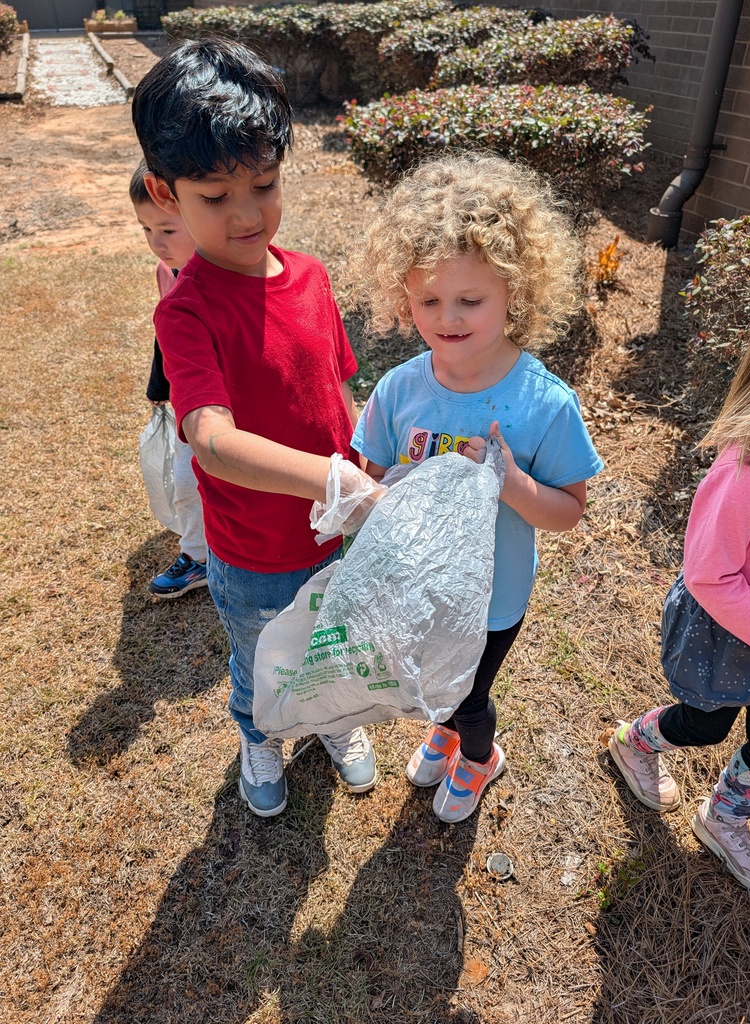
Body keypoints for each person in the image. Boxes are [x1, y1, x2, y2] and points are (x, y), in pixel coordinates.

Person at [131, 37, 385, 818]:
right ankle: (259, 734)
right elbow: (209, 436)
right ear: (165, 194)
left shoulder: (309, 274)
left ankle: (332, 723)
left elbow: (336, 386)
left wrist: (363, 466)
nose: (246, 214)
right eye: (214, 196)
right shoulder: (187, 311)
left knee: (332, 639)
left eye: (264, 185)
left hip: (335, 526)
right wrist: (329, 479)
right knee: (261, 656)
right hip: (251, 546)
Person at [349, 154, 604, 823]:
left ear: (513, 294)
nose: (448, 317)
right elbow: (367, 475)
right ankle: (447, 726)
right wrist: (346, 499)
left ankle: (477, 755)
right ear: (402, 296)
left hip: (493, 596)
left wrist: (514, 483)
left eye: (470, 299)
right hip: (419, 585)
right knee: (435, 686)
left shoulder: (542, 404)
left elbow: (569, 512)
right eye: (428, 299)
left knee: (469, 695)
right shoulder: (399, 389)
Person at [606, 304, 750, 896]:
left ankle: (724, 816)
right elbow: (710, 576)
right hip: (729, 637)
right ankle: (638, 742)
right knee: (705, 725)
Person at [130, 161, 208, 599]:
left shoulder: (226, 277)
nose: (156, 244)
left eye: (167, 230)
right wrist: (159, 388)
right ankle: (198, 556)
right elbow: (168, 335)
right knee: (187, 481)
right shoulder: (168, 272)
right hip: (186, 404)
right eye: (146, 229)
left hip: (225, 409)